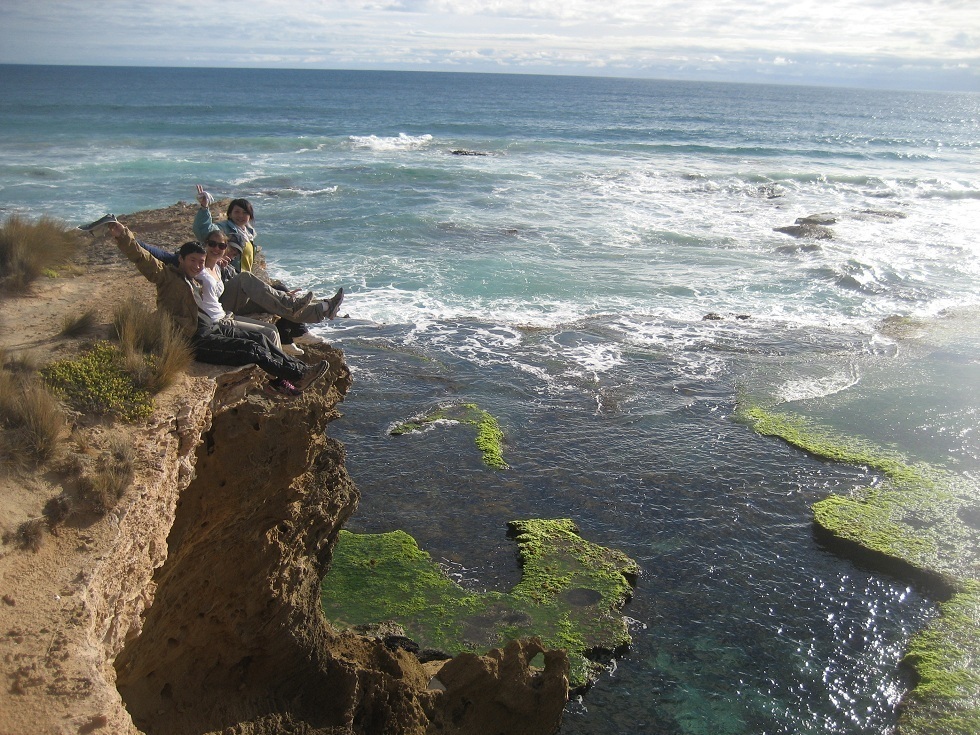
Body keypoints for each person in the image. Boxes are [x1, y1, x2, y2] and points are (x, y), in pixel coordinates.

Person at [92, 217, 328, 398]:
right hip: (193, 338)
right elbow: (142, 257)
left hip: (212, 328)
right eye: (192, 261)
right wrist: (123, 235)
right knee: (250, 350)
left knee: (262, 339)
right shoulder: (166, 276)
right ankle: (297, 375)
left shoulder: (199, 276)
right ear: (181, 260)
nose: (197, 265)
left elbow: (215, 272)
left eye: (200, 261)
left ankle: (299, 371)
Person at [192, 185, 344, 339]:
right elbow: (205, 231)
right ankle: (295, 322)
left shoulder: (248, 234)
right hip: (227, 295)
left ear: (250, 216)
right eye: (236, 212)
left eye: (245, 212)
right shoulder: (224, 230)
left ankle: (322, 310)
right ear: (229, 213)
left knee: (276, 295)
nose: (240, 216)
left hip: (235, 290)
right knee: (252, 282)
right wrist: (204, 208)